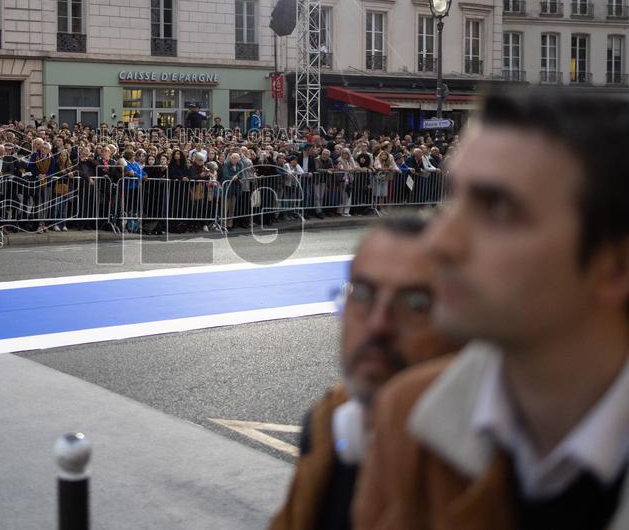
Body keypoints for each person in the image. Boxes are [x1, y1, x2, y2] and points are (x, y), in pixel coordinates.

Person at [355, 91, 629, 530]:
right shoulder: (407, 417)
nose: (439, 242)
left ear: (614, 266)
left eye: (498, 208)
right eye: (453, 200)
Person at [269, 217, 455, 530]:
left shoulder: (491, 476)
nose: (378, 324)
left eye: (414, 304)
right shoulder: (324, 428)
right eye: (364, 295)